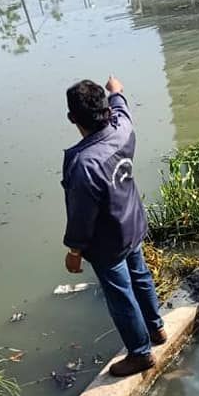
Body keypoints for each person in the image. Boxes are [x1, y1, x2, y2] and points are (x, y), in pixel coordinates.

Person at [62, 77, 166, 377]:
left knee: (121, 294)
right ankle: (156, 328)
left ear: (72, 119)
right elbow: (122, 109)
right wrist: (116, 91)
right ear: (106, 110)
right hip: (132, 223)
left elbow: (81, 216)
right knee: (141, 276)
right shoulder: (121, 130)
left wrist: (74, 250)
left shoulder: (84, 164)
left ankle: (140, 353)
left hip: (107, 241)